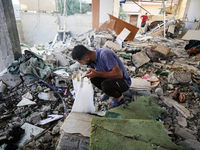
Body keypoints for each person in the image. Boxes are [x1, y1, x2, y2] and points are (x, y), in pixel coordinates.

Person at [71, 45, 131, 109]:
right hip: (111, 79)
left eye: (81, 62)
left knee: (105, 85)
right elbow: (90, 69)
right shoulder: (91, 58)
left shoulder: (105, 54)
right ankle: (107, 93)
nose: (81, 64)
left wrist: (97, 73)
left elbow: (119, 74)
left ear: (87, 57)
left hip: (123, 82)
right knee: (93, 78)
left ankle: (118, 97)